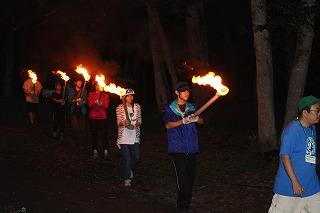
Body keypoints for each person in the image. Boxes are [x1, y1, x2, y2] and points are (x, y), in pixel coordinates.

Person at [269, 95, 320, 213]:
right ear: (305, 113)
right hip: (290, 190)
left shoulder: (312, 129)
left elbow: (307, 153)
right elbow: (285, 156)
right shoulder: (292, 130)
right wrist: (295, 182)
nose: (319, 114)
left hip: (312, 188)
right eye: (317, 110)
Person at [162, 82, 204, 212]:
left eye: (188, 91)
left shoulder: (192, 107)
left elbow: (202, 121)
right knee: (183, 180)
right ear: (177, 93)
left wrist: (196, 119)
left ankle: (186, 204)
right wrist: (183, 121)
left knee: (190, 179)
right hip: (177, 148)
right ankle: (181, 206)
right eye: (183, 91)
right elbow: (168, 125)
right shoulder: (169, 108)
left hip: (192, 147)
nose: (187, 93)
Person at [116, 89, 142, 187]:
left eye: (132, 96)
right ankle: (126, 179)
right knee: (126, 158)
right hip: (124, 137)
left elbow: (140, 120)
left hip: (135, 135)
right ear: (124, 97)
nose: (130, 97)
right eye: (128, 96)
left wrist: (137, 123)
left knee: (136, 157)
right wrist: (123, 122)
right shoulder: (119, 108)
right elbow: (118, 122)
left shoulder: (137, 106)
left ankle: (128, 168)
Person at [88, 82, 110, 159]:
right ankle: (95, 150)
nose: (98, 86)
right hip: (93, 118)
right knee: (94, 135)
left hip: (103, 118)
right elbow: (90, 106)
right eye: (97, 85)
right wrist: (94, 103)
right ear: (94, 86)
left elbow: (106, 106)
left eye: (99, 85)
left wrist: (101, 105)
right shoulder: (91, 94)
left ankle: (105, 150)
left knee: (104, 135)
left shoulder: (105, 95)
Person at [67, 79, 88, 149]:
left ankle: (81, 144)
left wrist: (82, 102)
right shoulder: (71, 90)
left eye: (81, 82)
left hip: (82, 112)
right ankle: (74, 142)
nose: (80, 83)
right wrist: (76, 100)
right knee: (75, 128)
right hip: (74, 111)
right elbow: (69, 99)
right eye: (78, 82)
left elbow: (86, 100)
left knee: (82, 128)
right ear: (75, 82)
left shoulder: (84, 90)